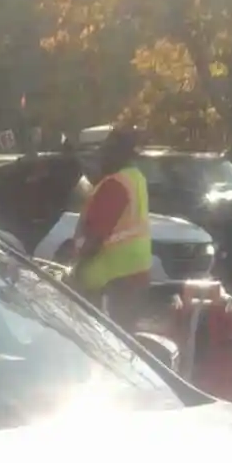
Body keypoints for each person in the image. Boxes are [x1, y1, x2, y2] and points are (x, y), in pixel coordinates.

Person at [69, 125, 152, 325]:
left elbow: (96, 238)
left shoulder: (114, 184)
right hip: (135, 273)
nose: (100, 159)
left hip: (111, 280)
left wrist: (75, 266)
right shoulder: (135, 177)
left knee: (100, 337)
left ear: (116, 153)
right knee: (125, 337)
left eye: (103, 153)